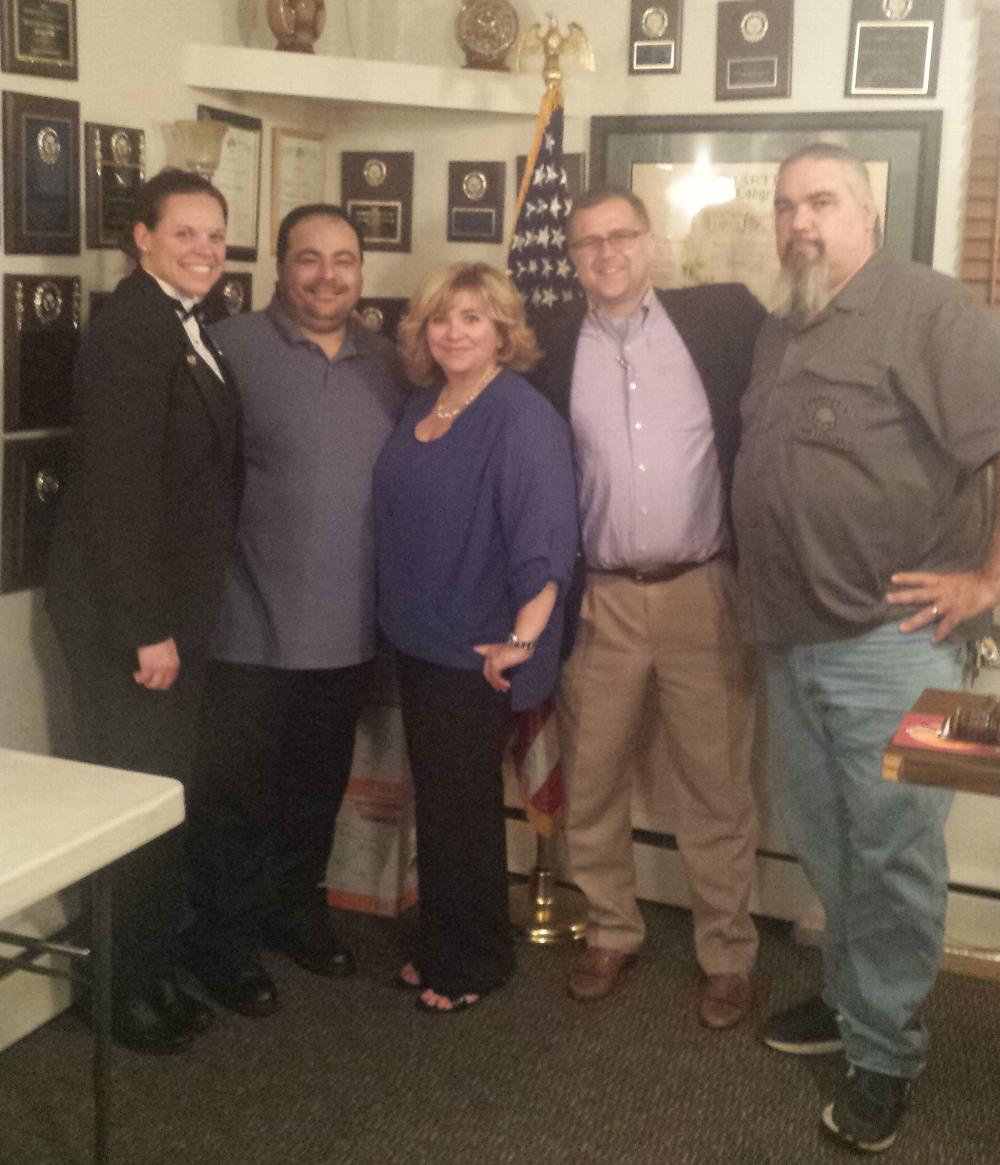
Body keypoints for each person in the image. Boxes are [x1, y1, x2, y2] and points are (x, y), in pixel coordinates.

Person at [732, 141, 1000, 1153]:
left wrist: (989, 581)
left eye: (823, 201)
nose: (801, 220)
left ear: (867, 212)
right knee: (831, 843)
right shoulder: (779, 325)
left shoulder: (931, 307)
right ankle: (854, 1001)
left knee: (899, 856)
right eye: (788, 204)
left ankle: (887, 1052)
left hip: (916, 645)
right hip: (792, 641)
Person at [529, 187, 766, 1027]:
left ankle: (728, 952)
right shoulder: (549, 342)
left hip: (703, 590)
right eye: (587, 242)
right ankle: (611, 931)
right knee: (592, 779)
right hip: (602, 601)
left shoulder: (723, 322)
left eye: (620, 236)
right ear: (572, 256)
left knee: (717, 787)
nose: (606, 254)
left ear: (650, 243)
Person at [182, 205, 406, 1017]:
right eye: (309, 259)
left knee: (316, 791)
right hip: (245, 624)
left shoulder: (390, 362)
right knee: (234, 797)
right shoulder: (228, 349)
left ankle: (292, 911)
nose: (327, 275)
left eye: (343, 259)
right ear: (279, 266)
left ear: (361, 270)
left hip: (347, 630)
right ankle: (222, 941)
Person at [45, 169, 243, 1054]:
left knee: (162, 798)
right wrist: (146, 626)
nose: (204, 249)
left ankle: (151, 969)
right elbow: (118, 492)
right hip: (132, 618)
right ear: (143, 238)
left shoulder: (182, 323)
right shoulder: (132, 326)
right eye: (186, 233)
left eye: (215, 235)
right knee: (133, 803)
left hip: (171, 607)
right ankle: (118, 992)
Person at [374, 262, 578, 1013]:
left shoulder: (521, 416)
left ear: (503, 331)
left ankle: (471, 963)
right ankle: (444, 942)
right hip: (418, 638)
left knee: (462, 809)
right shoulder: (426, 403)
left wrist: (522, 639)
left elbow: (546, 538)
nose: (454, 332)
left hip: (478, 648)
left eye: (472, 318)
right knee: (443, 802)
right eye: (441, 318)